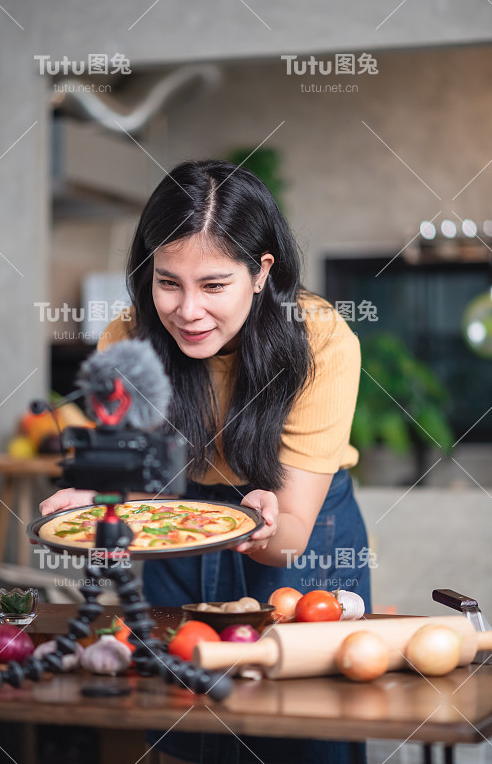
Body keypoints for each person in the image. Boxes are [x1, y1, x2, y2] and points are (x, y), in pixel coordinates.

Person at [40, 160, 371, 764]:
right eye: (168, 283)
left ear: (261, 271)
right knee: (184, 729)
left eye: (214, 285)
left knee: (304, 730)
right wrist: (104, 499)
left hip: (302, 523)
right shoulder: (130, 339)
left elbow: (287, 534)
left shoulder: (320, 340)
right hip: (179, 525)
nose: (188, 310)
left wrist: (261, 524)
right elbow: (130, 470)